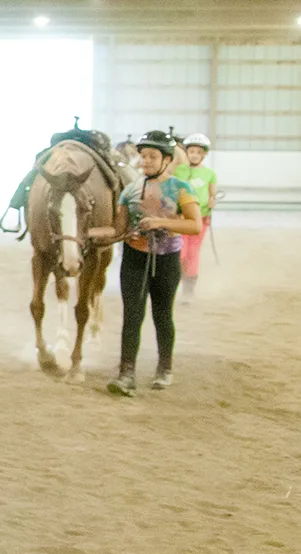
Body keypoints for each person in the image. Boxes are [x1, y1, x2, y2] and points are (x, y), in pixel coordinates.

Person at [99, 130, 205, 396]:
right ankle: (126, 373)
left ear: (166, 159)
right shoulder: (130, 191)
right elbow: (117, 230)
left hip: (167, 260)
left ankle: (164, 367)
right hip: (134, 258)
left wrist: (161, 222)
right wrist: (83, 235)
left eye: (152, 156)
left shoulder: (181, 189)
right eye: (143, 156)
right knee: (132, 316)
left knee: (162, 314)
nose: (145, 161)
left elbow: (194, 224)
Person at [174, 133, 220, 298]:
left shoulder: (210, 174)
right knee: (181, 252)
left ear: (204, 154)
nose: (194, 155)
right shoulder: (179, 171)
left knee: (193, 253)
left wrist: (212, 200)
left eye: (198, 152)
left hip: (201, 219)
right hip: (182, 219)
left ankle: (189, 290)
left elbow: (212, 193)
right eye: (191, 151)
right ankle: (174, 285)